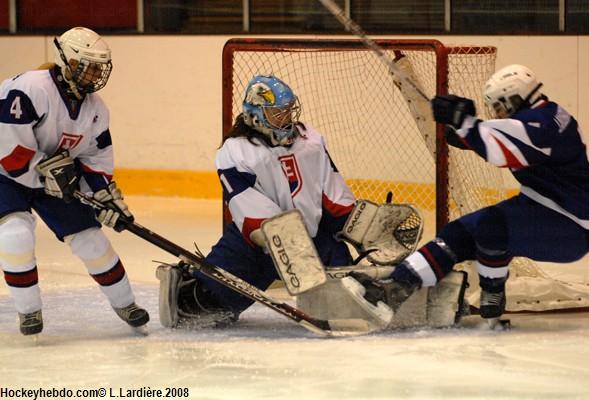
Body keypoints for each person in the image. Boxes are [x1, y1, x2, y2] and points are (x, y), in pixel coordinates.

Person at [355, 64, 589, 323]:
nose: (498, 112)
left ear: (514, 97)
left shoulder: (544, 124)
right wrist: (466, 132)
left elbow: (502, 148)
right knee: (458, 233)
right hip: (540, 206)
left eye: (500, 106)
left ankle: (492, 293)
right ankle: (398, 286)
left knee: (491, 227)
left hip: (570, 225)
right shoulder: (542, 115)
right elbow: (510, 134)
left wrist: (466, 124)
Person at [156, 75, 358, 328]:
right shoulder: (236, 151)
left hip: (314, 240)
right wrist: (287, 245)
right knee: (197, 309)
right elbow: (251, 213)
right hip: (254, 247)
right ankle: (188, 280)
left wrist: (358, 225)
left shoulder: (311, 141)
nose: (286, 117)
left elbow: (332, 195)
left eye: (288, 109)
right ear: (256, 115)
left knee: (348, 303)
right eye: (277, 112)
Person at [0, 27, 149, 335]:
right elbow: (7, 146)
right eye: (88, 65)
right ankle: (29, 311)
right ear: (66, 61)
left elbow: (96, 159)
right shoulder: (29, 88)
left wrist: (104, 197)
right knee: (15, 234)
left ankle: (126, 303)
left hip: (54, 177)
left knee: (90, 238)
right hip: (5, 176)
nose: (95, 74)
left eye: (99, 67)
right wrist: (45, 170)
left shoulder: (96, 110)